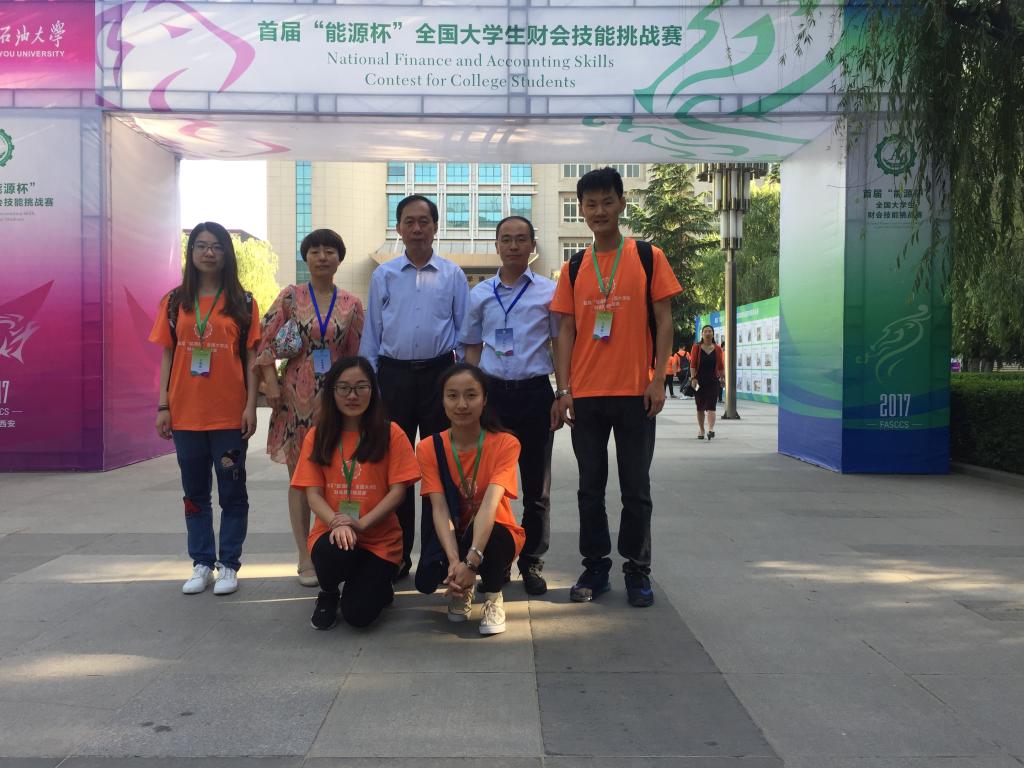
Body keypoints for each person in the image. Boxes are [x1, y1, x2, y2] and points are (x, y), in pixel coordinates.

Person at [551, 167, 682, 608]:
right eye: (590, 204)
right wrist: (564, 390)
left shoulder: (647, 256)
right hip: (586, 396)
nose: (599, 211)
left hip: (635, 393)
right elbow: (565, 331)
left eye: (608, 201)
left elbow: (664, 321)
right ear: (581, 209)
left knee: (636, 489)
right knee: (589, 489)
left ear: (623, 203)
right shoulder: (573, 267)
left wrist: (658, 379)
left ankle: (638, 570)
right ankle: (595, 566)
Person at [360, 194, 469, 580]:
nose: (418, 228)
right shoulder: (384, 275)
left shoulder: (453, 275)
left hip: (440, 377)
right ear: (399, 228)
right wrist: (372, 387)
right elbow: (372, 335)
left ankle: (437, 556)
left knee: (441, 465)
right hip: (394, 378)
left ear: (436, 227)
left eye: (424, 221)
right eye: (410, 221)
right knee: (397, 470)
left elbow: (464, 333)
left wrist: (461, 385)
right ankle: (397, 554)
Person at [150, 221, 261, 596]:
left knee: (232, 492)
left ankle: (229, 564)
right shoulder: (174, 302)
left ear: (227, 253)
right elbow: (168, 355)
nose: (209, 252)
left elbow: (252, 358)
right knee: (194, 493)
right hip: (186, 415)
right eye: (201, 245)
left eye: (216, 246)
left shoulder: (243, 302)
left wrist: (250, 406)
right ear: (191, 252)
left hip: (229, 415)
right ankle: (201, 562)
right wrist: (163, 405)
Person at [255, 229, 364, 587]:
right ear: (306, 257)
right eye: (314, 250)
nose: (322, 256)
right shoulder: (290, 296)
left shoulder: (351, 303)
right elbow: (263, 341)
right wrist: (270, 383)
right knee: (301, 480)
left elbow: (355, 355)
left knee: (340, 477)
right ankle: (305, 556)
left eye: (329, 250)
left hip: (338, 399)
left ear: (339, 258)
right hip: (295, 400)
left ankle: (339, 549)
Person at [461, 215, 559, 596]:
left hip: (535, 393)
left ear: (532, 246)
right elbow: (472, 347)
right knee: (487, 484)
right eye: (506, 239)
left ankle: (532, 561)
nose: (514, 246)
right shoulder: (480, 294)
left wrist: (562, 393)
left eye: (521, 239)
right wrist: (469, 398)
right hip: (493, 397)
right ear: (497, 245)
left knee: (537, 487)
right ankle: (491, 557)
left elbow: (559, 343)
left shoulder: (549, 292)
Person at [290, 356, 420, 629]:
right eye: (344, 388)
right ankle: (328, 593)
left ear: (373, 391)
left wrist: (361, 523)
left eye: (361, 387)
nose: (352, 395)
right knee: (331, 551)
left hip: (379, 540)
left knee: (358, 616)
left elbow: (398, 493)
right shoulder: (318, 435)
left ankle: (377, 583)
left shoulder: (392, 433)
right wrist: (337, 522)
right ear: (332, 392)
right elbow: (313, 495)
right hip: (333, 533)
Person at [415, 363, 525, 636]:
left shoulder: (506, 444)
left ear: (485, 399)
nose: (462, 404)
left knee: (492, 533)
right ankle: (461, 588)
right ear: (442, 400)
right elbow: (439, 508)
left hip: (495, 533)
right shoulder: (428, 447)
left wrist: (471, 562)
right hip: (455, 532)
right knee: (429, 573)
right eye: (452, 396)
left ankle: (493, 597)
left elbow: (490, 506)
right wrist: (455, 562)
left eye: (471, 395)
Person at [690, 325, 725, 440]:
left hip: (713, 381)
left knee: (711, 406)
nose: (708, 333)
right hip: (698, 381)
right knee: (699, 406)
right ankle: (701, 429)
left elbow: (721, 366)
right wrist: (693, 378)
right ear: (702, 334)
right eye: (705, 331)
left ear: (713, 334)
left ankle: (710, 429)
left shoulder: (718, 348)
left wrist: (722, 378)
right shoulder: (697, 347)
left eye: (710, 331)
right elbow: (693, 365)